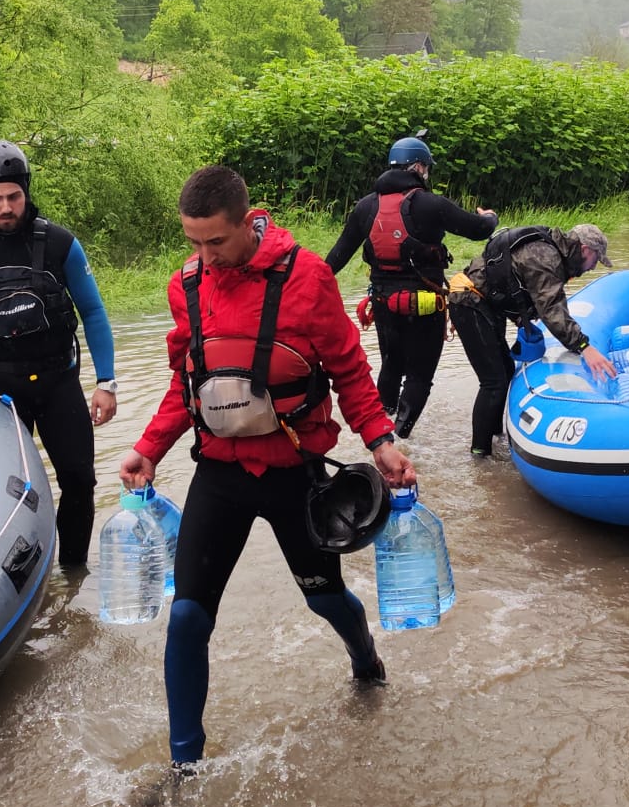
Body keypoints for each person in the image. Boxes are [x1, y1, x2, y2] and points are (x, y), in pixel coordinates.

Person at [118, 165, 416, 773]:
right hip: (221, 473)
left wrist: (381, 439)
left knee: (324, 598)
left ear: (246, 222)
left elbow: (350, 371)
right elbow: (187, 384)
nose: (204, 255)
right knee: (187, 616)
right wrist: (149, 448)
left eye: (216, 242)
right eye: (192, 242)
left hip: (296, 474)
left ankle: (364, 657)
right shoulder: (187, 286)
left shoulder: (306, 277)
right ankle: (184, 766)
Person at [0, 139, 118, 569]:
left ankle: (72, 572)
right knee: (0, 489)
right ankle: (10, 578)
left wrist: (106, 382)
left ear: (26, 191)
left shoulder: (59, 244)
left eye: (14, 196)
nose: (6, 206)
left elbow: (93, 312)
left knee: (79, 481)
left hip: (59, 384)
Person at [324, 136, 499, 438]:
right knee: (419, 376)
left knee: (390, 368)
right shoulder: (432, 204)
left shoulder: (366, 207)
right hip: (425, 304)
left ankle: (379, 433)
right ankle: (401, 439)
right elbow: (478, 230)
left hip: (383, 305)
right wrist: (490, 217)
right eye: (426, 168)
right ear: (418, 166)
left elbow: (335, 259)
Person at [446, 223, 618, 457]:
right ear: (585, 249)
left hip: (482, 303)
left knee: (505, 371)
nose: (592, 267)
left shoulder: (550, 250)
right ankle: (480, 454)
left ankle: (494, 436)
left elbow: (518, 284)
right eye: (595, 260)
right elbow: (552, 309)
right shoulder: (546, 256)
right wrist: (584, 346)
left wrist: (521, 317)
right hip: (469, 302)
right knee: (494, 381)